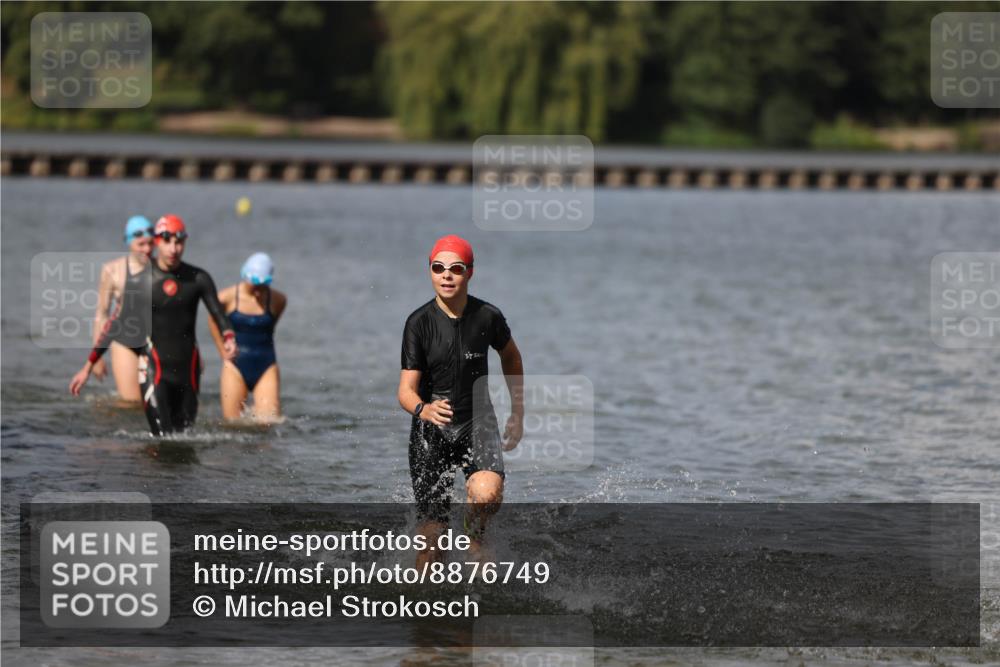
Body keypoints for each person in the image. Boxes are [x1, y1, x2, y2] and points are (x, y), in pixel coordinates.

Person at [397, 235, 524, 565]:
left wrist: (518, 412)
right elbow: (405, 391)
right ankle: (428, 612)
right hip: (431, 433)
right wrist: (423, 409)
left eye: (456, 269)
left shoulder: (487, 317)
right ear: (430, 271)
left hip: (477, 423)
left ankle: (474, 531)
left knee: (486, 495)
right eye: (438, 268)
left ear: (470, 272)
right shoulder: (418, 323)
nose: (447, 275)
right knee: (431, 547)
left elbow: (511, 358)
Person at [71, 214, 238, 436]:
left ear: (185, 242)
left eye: (179, 242)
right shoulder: (142, 280)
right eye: (167, 241)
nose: (173, 249)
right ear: (157, 241)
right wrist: (88, 366)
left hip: (188, 369)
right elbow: (116, 323)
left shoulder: (198, 278)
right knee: (161, 440)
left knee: (184, 440)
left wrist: (228, 337)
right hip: (154, 367)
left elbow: (218, 313)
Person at [70, 216, 154, 402]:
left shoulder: (162, 269)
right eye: (141, 244)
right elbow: (101, 313)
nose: (147, 249)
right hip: (125, 341)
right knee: (132, 403)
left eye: (150, 244)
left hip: (155, 341)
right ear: (128, 242)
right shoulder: (112, 270)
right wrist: (97, 357)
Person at [208, 252, 287, 423]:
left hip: (266, 365)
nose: (258, 292)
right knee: (233, 425)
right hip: (235, 365)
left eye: (263, 286)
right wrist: (222, 350)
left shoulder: (278, 300)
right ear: (245, 277)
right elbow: (213, 320)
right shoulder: (226, 298)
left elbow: (270, 328)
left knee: (269, 423)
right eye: (254, 286)